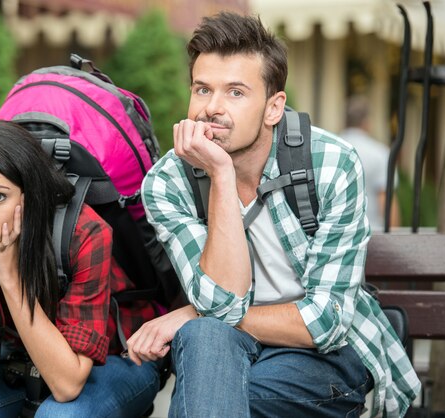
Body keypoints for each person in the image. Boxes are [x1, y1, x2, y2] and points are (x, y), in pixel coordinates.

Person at [126, 12, 420, 418]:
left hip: (325, 357)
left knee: (213, 384)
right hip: (228, 347)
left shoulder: (331, 164)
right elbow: (221, 302)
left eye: (235, 93)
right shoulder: (168, 183)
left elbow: (325, 323)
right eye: (202, 89)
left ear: (273, 107)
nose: (212, 108)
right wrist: (222, 176)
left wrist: (193, 313)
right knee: (207, 337)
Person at [0, 119, 161, 418]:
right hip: (16, 357)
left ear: (28, 196)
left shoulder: (83, 233)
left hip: (118, 357)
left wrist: (9, 279)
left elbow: (67, 384)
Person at [340, 94, 400, 231]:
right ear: (366, 122)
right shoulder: (380, 153)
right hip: (372, 236)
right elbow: (387, 202)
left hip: (334, 236)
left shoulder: (330, 149)